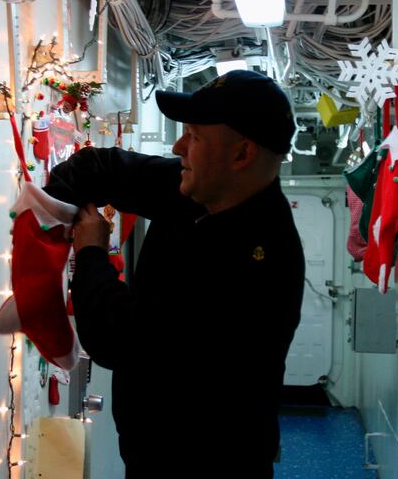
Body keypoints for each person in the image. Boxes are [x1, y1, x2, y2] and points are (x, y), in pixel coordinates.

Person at [44, 70, 305, 478]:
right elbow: (103, 166)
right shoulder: (203, 188)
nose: (179, 146)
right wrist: (48, 215)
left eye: (195, 137)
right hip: (149, 455)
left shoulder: (256, 262)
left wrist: (91, 251)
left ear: (242, 154)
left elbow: (120, 338)